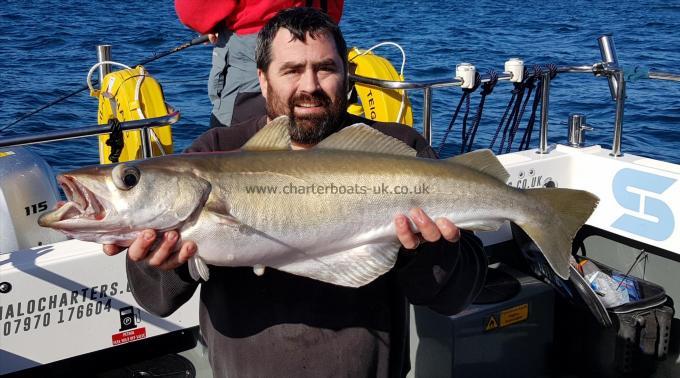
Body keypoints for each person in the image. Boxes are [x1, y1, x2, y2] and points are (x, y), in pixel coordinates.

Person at [104, 8, 487, 377]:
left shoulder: (398, 149)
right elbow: (157, 300)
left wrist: (427, 251)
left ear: (347, 73)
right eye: (291, 70)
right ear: (263, 78)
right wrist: (162, 263)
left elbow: (457, 295)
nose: (310, 87)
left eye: (325, 68)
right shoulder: (215, 150)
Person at [174, 0, 343, 127]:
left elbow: (194, 9)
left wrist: (210, 22)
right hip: (322, 37)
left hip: (251, 50)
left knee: (233, 150)